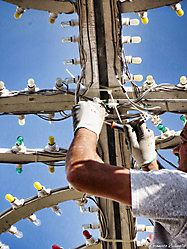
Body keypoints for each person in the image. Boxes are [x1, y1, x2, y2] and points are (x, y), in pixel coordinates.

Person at [65, 100, 187, 248]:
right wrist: (150, 163)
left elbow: (81, 172)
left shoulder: (181, 188)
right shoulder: (179, 193)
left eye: (184, 141)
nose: (175, 150)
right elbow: (173, 203)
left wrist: (87, 126)